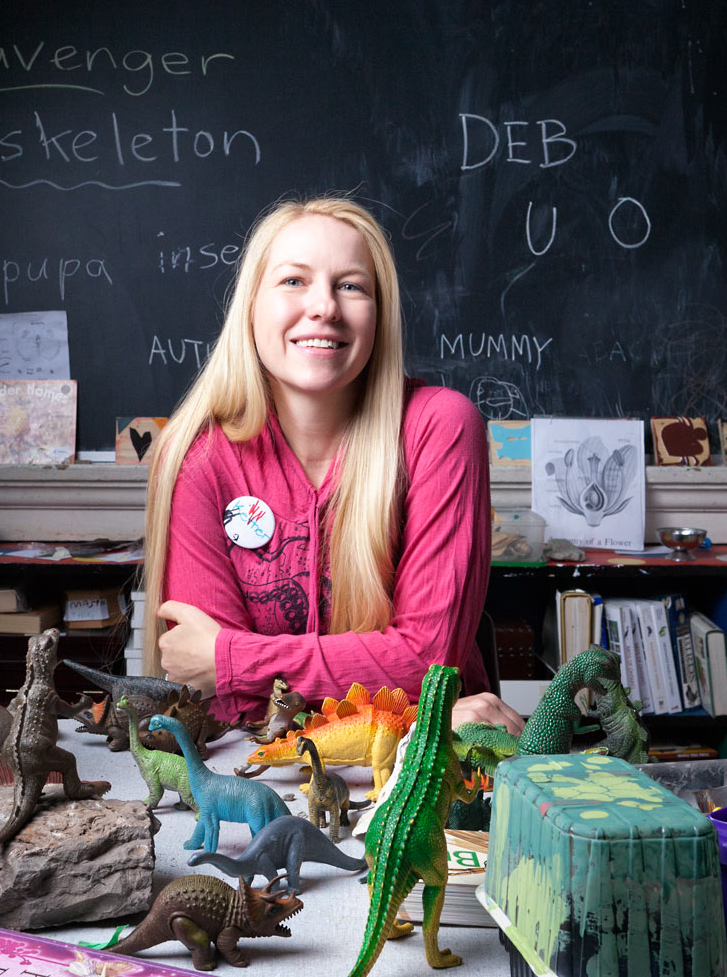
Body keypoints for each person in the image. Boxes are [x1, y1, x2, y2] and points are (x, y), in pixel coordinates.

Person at [141, 195, 523, 733]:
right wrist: (408, 708)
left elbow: (429, 663)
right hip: (265, 768)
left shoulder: (441, 428)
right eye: (293, 281)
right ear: (252, 305)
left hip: (431, 769)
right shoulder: (196, 457)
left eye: (351, 286)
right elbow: (223, 704)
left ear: (378, 315)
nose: (324, 307)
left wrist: (233, 659)